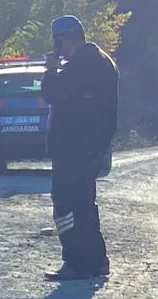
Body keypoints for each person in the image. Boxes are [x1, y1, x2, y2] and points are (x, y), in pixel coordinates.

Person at [39, 14, 118, 281]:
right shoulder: (101, 61)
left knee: (67, 206)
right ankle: (96, 261)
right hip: (90, 146)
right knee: (85, 205)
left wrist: (50, 71)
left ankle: (74, 262)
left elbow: (53, 94)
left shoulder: (82, 65)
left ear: (62, 40)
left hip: (73, 147)